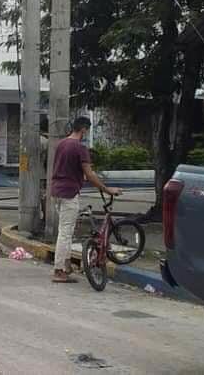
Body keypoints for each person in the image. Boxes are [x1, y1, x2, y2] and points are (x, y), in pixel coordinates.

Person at [50, 116, 123, 283]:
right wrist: (106, 189)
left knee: (65, 230)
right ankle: (59, 270)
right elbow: (89, 174)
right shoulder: (80, 148)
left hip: (56, 192)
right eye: (87, 129)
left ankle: (66, 265)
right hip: (69, 193)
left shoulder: (61, 144)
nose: (87, 132)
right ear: (83, 129)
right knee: (65, 233)